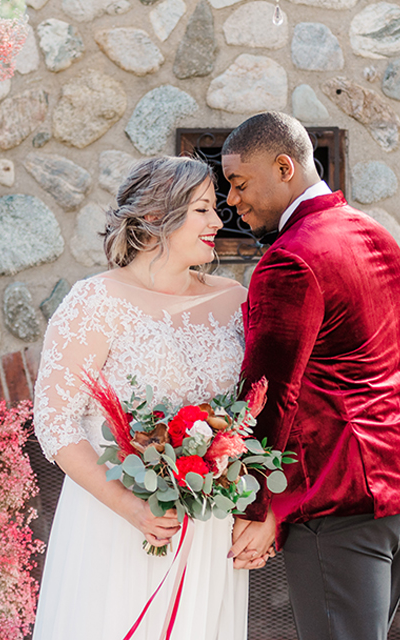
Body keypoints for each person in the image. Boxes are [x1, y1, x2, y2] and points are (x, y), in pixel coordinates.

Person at [223, 112, 400, 640]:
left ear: (283, 167)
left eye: (238, 182)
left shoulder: (291, 260)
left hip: (341, 495)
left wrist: (255, 503)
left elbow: (266, 396)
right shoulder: (376, 234)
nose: (232, 200)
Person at [31, 156, 250, 639]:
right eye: (201, 210)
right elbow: (55, 424)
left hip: (210, 529)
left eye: (214, 208)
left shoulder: (234, 299)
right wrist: (132, 508)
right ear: (154, 219)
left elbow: (252, 413)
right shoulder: (94, 303)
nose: (218, 222)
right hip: (120, 523)